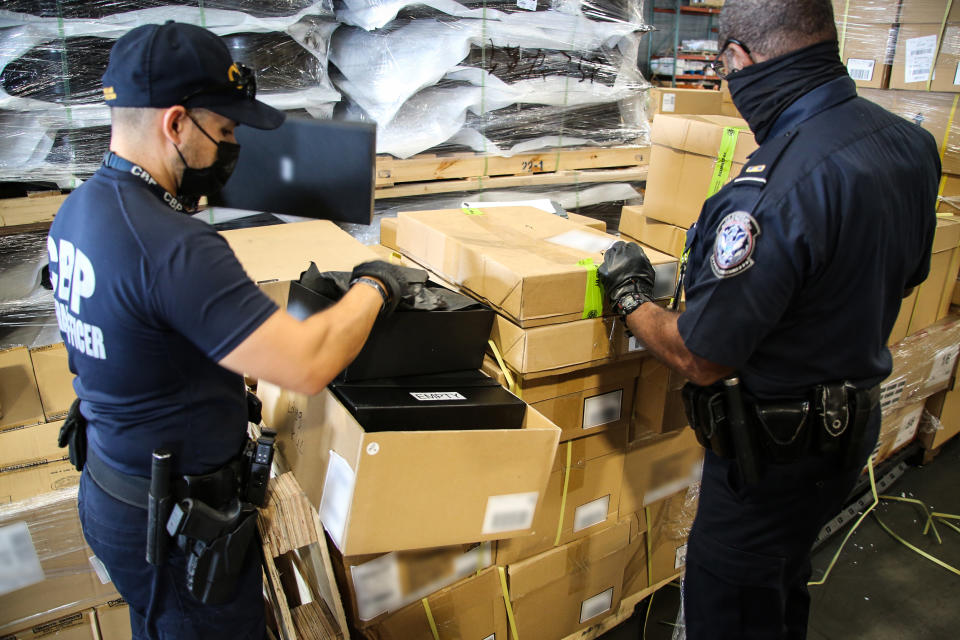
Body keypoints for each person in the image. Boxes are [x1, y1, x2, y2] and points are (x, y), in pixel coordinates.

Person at [48, 22, 411, 640]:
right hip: (175, 525)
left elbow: (137, 334)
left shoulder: (80, 210)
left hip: (115, 490)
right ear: (175, 124)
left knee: (157, 624)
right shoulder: (174, 245)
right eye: (223, 132)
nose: (229, 150)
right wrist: (375, 285)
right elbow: (307, 363)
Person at [598, 1, 939, 638]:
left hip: (770, 454)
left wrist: (631, 299)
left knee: (731, 606)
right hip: (848, 429)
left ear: (737, 60)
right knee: (780, 585)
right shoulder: (909, 144)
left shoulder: (772, 189)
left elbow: (702, 355)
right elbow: (908, 272)